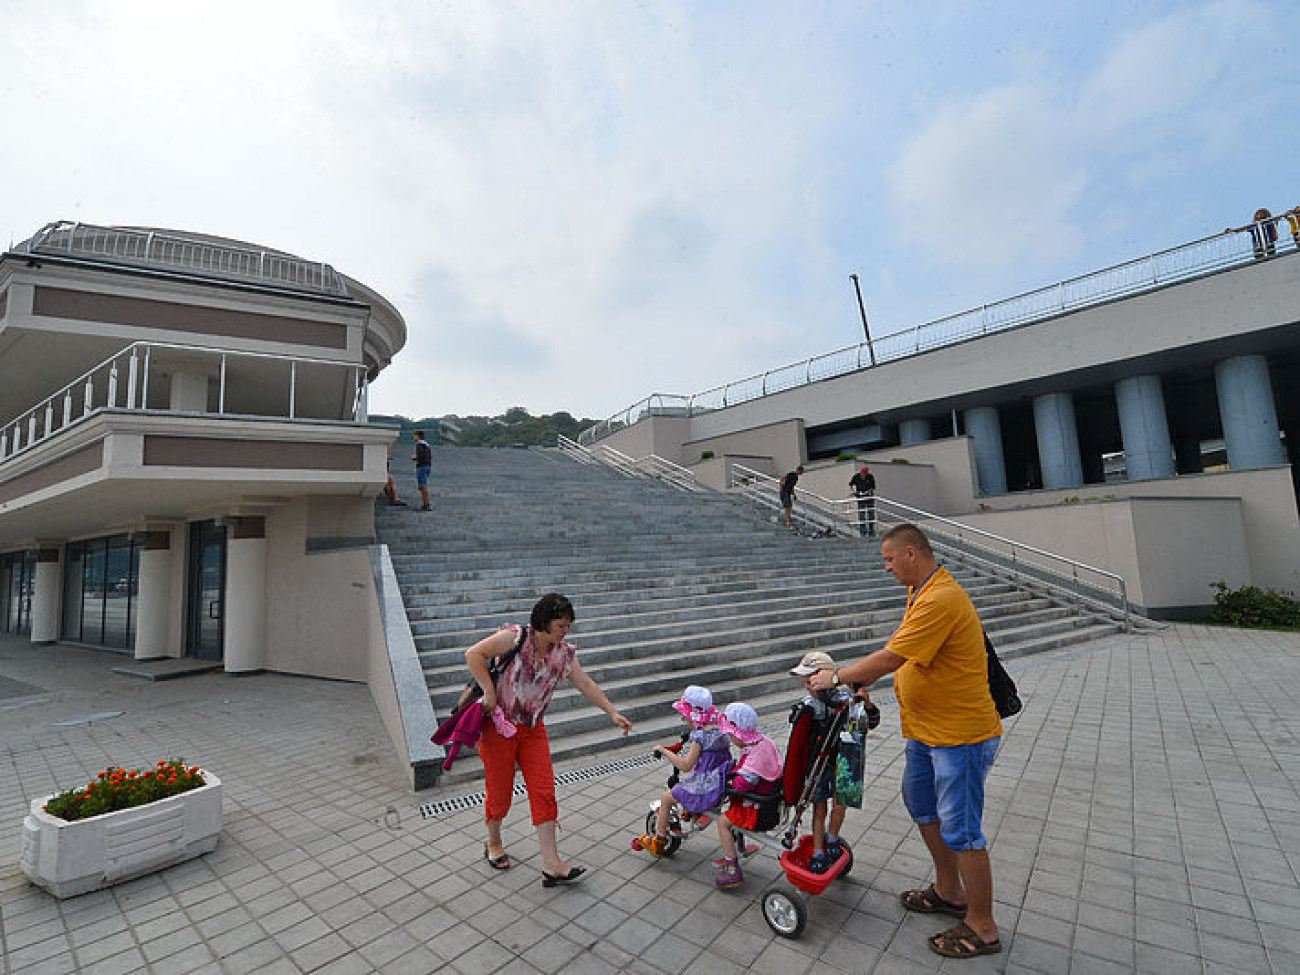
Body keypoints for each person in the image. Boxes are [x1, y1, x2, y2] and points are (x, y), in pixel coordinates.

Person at [809, 523, 1003, 959]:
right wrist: (866, 679)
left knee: (963, 829)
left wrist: (838, 675)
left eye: (889, 559)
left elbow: (895, 655)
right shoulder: (920, 592)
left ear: (912, 553)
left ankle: (983, 924)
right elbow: (905, 650)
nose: (887, 567)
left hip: (959, 736)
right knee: (920, 803)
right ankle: (949, 890)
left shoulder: (940, 598)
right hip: (926, 730)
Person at [467, 593, 632, 888]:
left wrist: (612, 712)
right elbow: (473, 655)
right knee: (500, 792)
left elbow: (585, 683)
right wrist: (489, 692)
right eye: (561, 624)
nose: (565, 630)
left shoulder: (564, 653)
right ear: (543, 622)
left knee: (544, 791)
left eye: (568, 624)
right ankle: (494, 842)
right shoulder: (514, 637)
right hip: (499, 728)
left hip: (533, 730)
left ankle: (552, 864)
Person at [789, 650, 878, 872]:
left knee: (840, 805)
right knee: (819, 809)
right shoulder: (809, 704)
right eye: (805, 680)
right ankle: (818, 851)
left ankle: (832, 839)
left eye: (812, 678)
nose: (807, 684)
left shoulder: (846, 700)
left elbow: (872, 721)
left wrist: (866, 704)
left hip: (844, 760)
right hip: (819, 763)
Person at [635, 685, 730, 857]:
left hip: (705, 786)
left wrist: (665, 752)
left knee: (666, 798)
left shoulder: (700, 736)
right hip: (720, 780)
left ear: (692, 714)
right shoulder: (722, 729)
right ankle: (692, 812)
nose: (682, 717)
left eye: (684, 714)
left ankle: (658, 841)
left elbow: (686, 765)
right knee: (687, 785)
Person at [714, 702, 782, 888]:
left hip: (756, 809)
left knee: (722, 822)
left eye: (730, 734)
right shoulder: (764, 742)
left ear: (737, 732)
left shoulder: (755, 753)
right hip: (767, 799)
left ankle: (731, 869)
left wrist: (731, 783)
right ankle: (739, 847)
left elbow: (745, 782)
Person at [849, 465, 876, 537]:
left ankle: (871, 531)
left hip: (869, 497)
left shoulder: (870, 477)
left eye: (865, 473)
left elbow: (873, 487)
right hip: (860, 498)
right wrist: (853, 492)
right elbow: (851, 484)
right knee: (861, 515)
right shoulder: (856, 477)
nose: (864, 474)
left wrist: (867, 492)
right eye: (863, 473)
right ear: (861, 472)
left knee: (871, 514)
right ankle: (863, 531)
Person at [410, 430, 432, 511]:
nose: (413, 438)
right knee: (423, 486)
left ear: (418, 436)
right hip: (427, 466)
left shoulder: (419, 445)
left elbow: (421, 457)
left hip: (422, 467)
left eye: (414, 436)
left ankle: (426, 504)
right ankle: (426, 504)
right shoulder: (427, 445)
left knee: (423, 486)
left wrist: (414, 458)